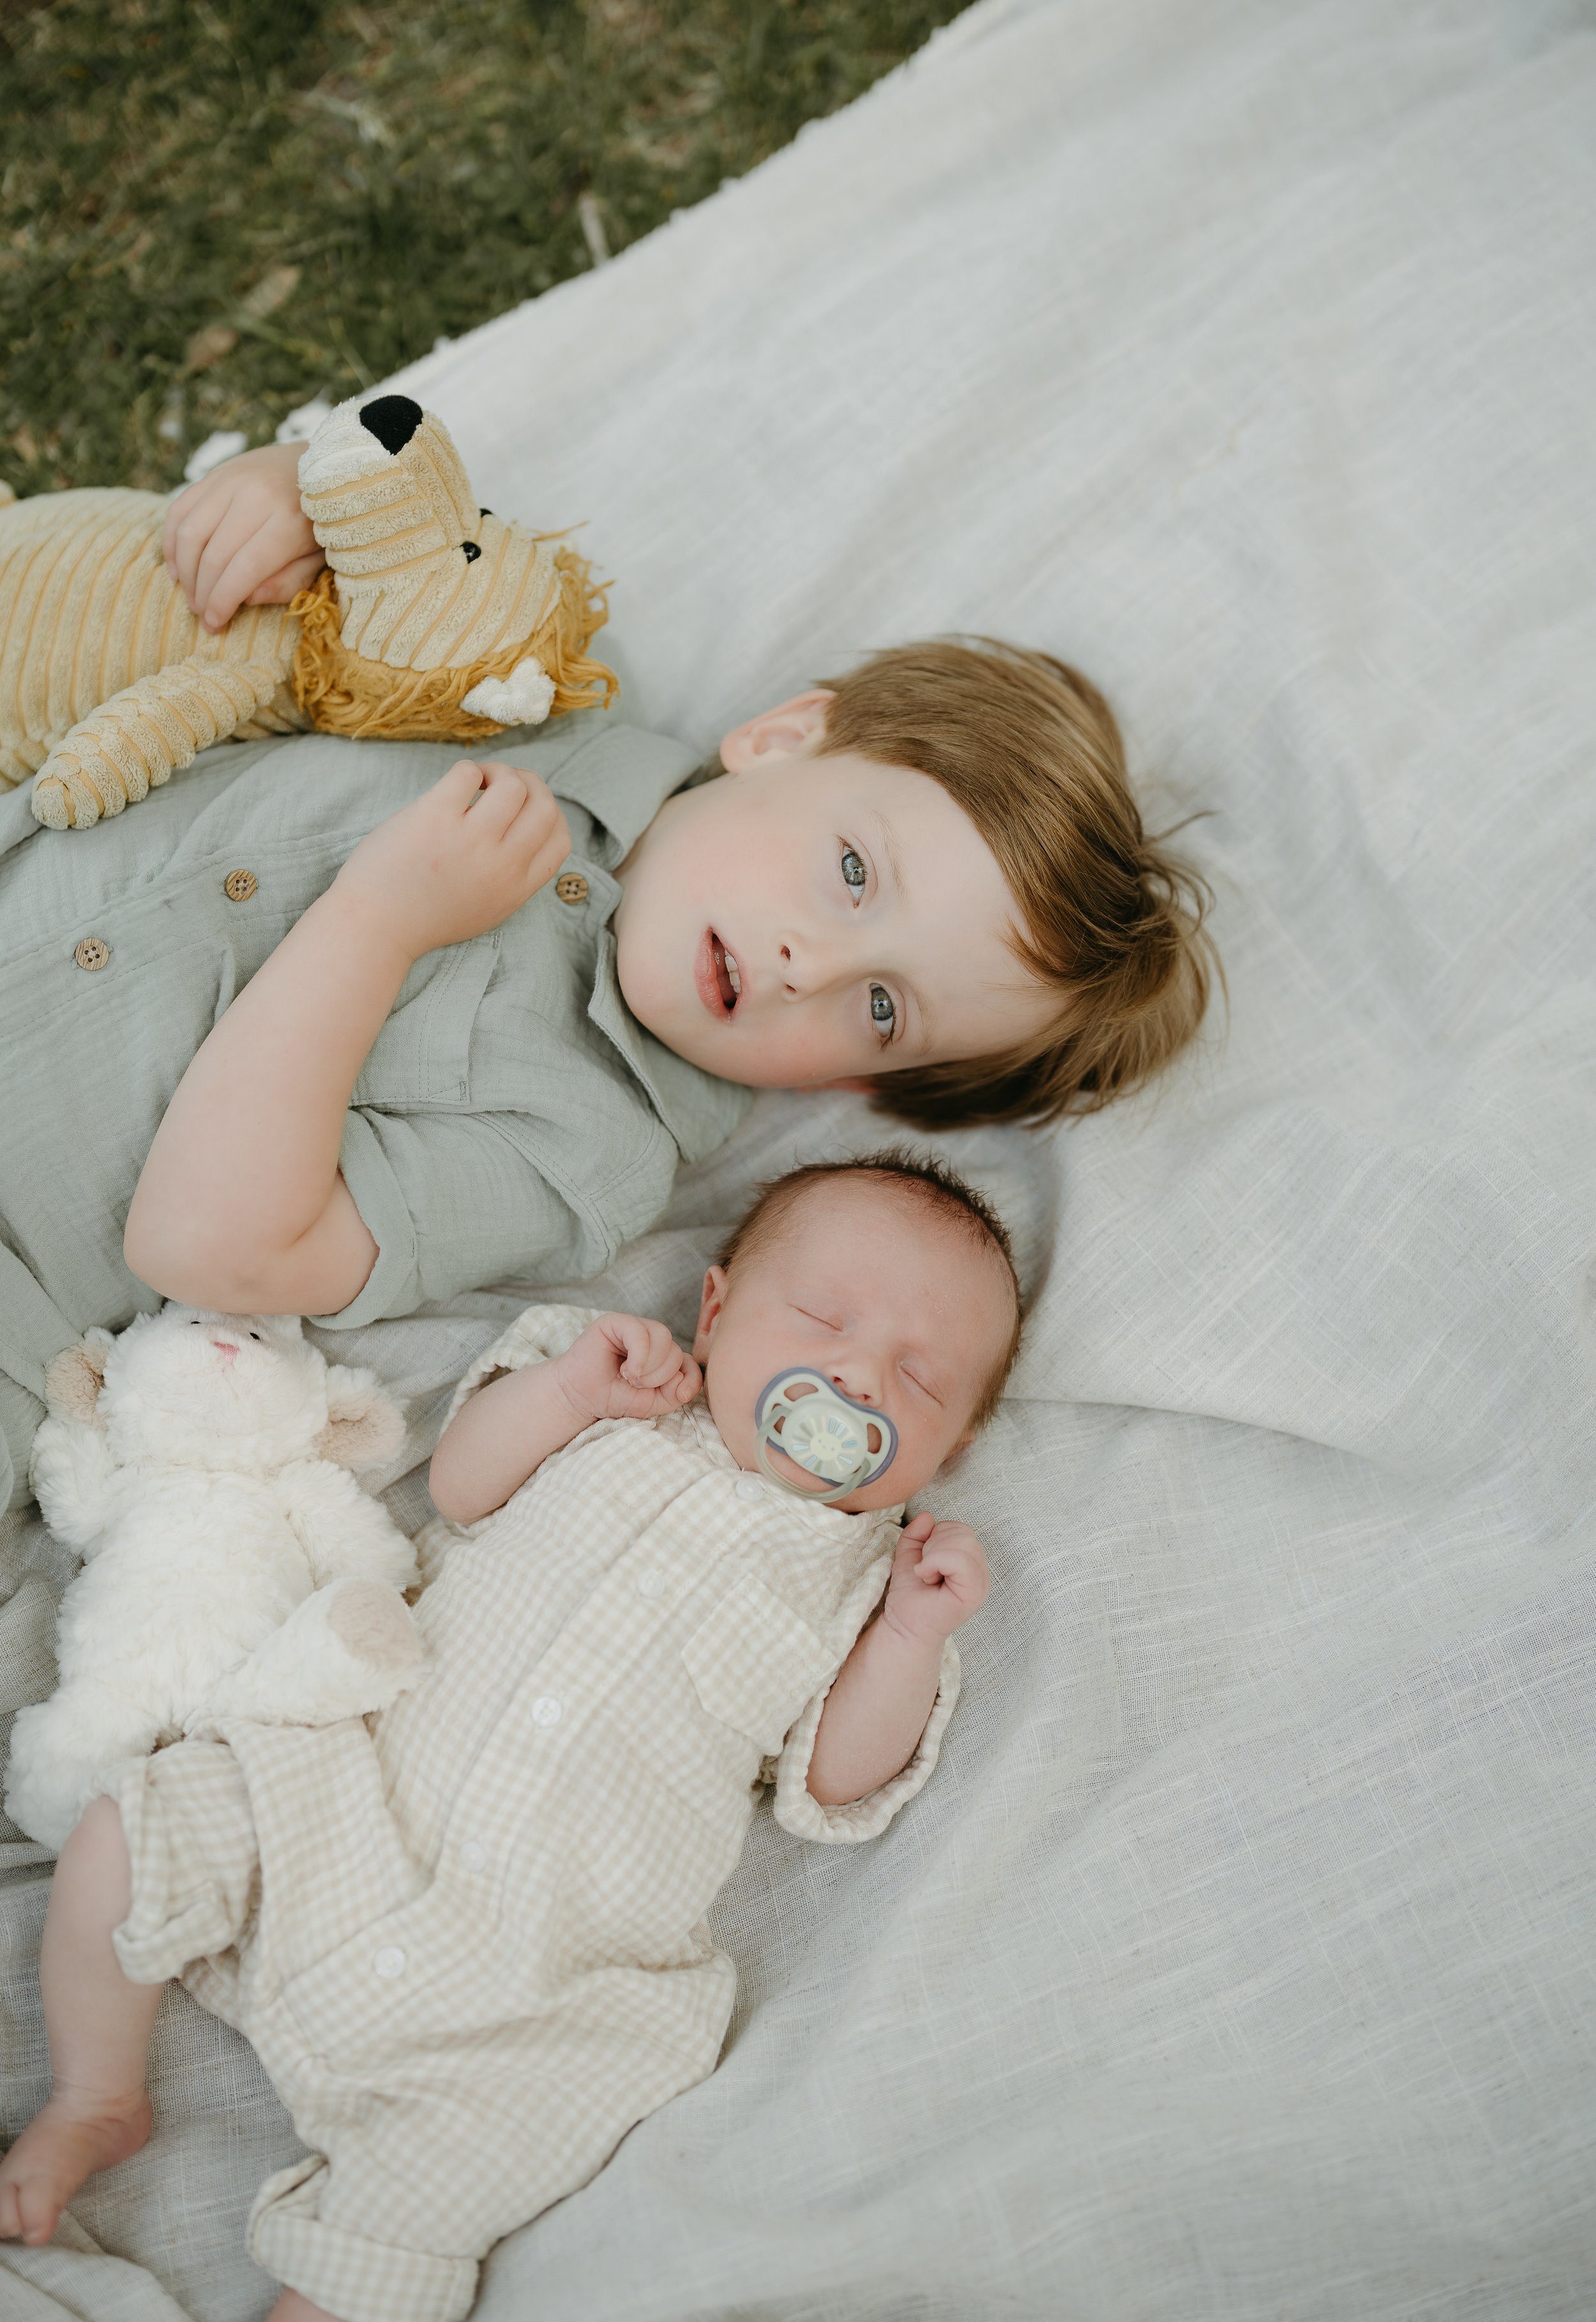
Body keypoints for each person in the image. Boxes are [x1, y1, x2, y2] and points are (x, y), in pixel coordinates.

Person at [0, 435, 1212, 1516]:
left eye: (883, 1008)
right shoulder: (538, 681)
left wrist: (376, 923)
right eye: (852, 871)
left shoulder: (587, 1141)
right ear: (784, 739)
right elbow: (374, 530)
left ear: (850, 1086)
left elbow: (210, 1246)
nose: (813, 963)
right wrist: (286, 497)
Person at [0, 1152, 1018, 2321]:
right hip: (341, 1808)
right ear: (720, 1308)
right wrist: (571, 1394)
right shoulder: (608, 1398)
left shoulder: (862, 1582)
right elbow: (467, 1488)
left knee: (456, 2184)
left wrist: (908, 1635)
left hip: (534, 1975)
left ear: (954, 1448)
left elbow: (831, 1782)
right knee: (129, 1830)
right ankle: (94, 2093)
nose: (857, 1372)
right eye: (828, 1319)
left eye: (922, 1378)